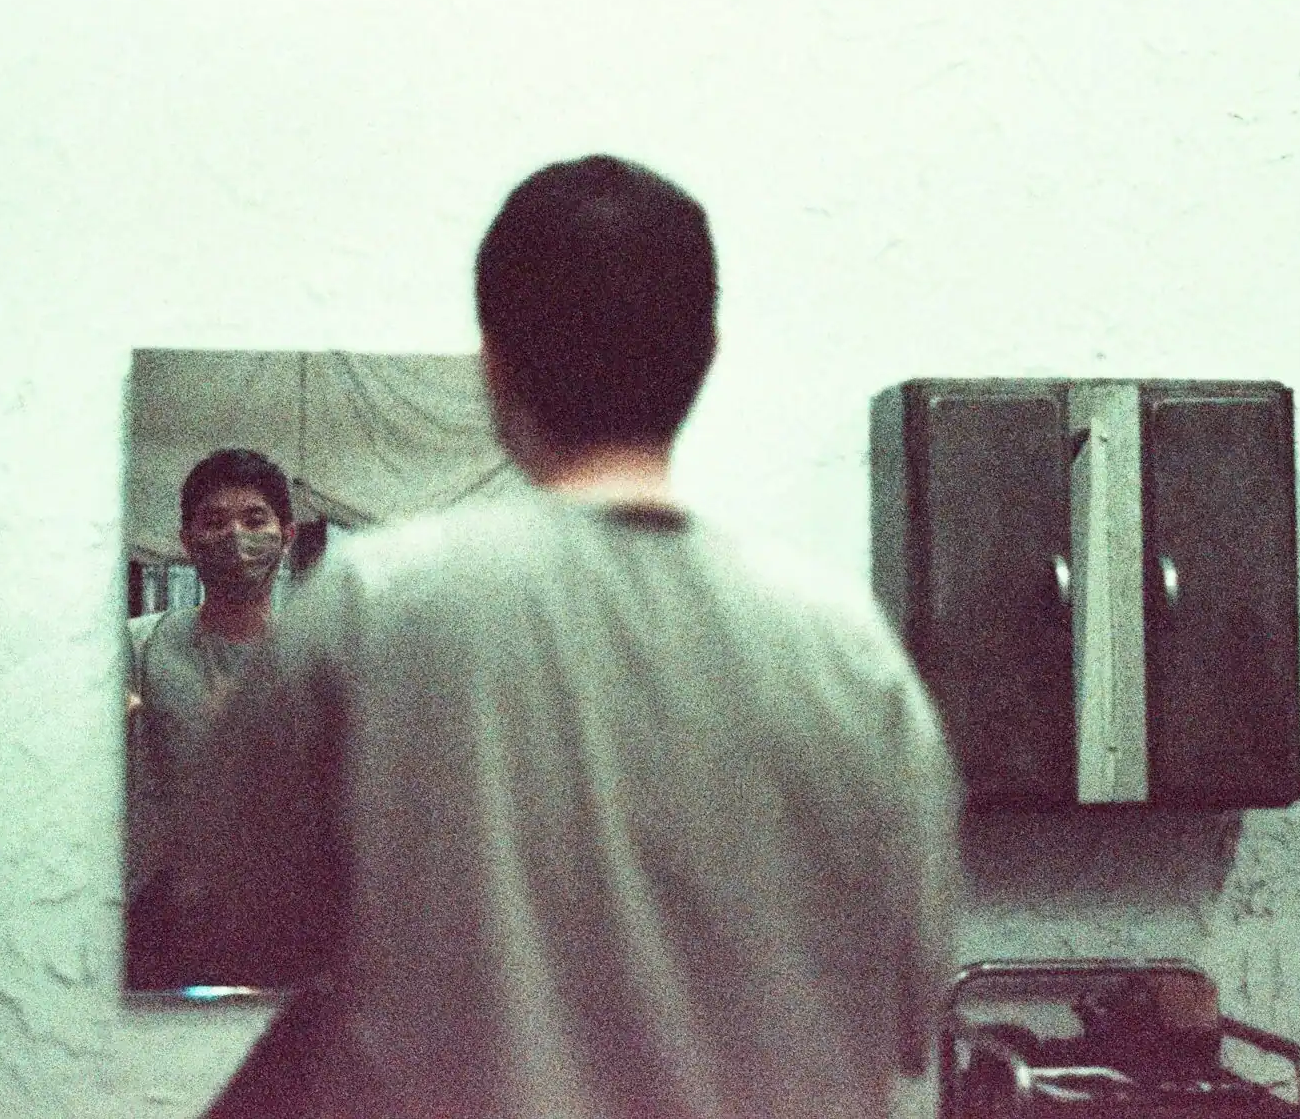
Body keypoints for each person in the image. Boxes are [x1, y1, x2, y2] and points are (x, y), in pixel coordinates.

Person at [183, 156, 963, 1116]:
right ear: (707, 351)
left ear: (494, 362)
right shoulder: (849, 650)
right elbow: (913, 1005)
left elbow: (237, 929)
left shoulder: (369, 606)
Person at [125, 447, 297, 990]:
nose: (235, 537)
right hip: (163, 910)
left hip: (283, 912)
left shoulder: (320, 653)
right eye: (214, 521)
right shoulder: (137, 647)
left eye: (254, 520)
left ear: (286, 534)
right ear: (187, 540)